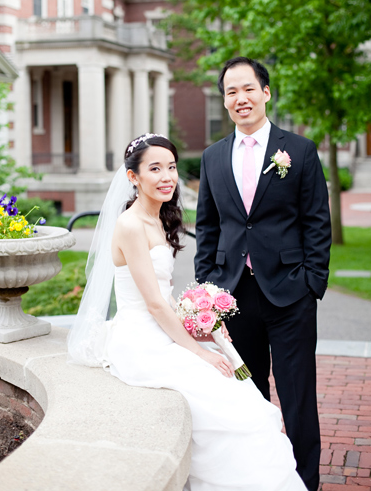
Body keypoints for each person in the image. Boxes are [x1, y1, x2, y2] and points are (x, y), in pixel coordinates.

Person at [67, 133, 306, 490]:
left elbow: (164, 298)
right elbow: (152, 304)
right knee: (229, 397)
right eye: (155, 168)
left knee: (242, 393)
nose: (167, 176)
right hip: (140, 340)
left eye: (172, 167)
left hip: (162, 329)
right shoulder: (131, 225)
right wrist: (198, 351)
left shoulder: (158, 218)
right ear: (133, 177)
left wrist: (203, 323)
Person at [195, 57, 330, 491]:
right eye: (231, 91)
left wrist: (312, 283)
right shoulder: (213, 157)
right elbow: (208, 227)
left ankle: (306, 481)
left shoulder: (300, 151)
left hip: (291, 294)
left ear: (266, 92)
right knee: (247, 399)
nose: (240, 98)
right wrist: (208, 292)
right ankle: (257, 479)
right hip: (234, 297)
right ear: (224, 100)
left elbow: (316, 222)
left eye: (248, 89)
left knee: (297, 398)